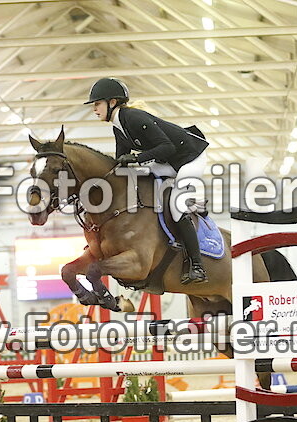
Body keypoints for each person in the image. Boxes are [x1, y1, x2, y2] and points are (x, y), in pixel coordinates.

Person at [85, 77, 209, 284]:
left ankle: (197, 265)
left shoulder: (134, 118)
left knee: (176, 205)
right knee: (141, 178)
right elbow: (120, 163)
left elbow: (167, 147)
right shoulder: (118, 127)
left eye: (97, 104)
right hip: (168, 161)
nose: (94, 109)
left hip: (190, 159)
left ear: (112, 102)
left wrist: (136, 158)